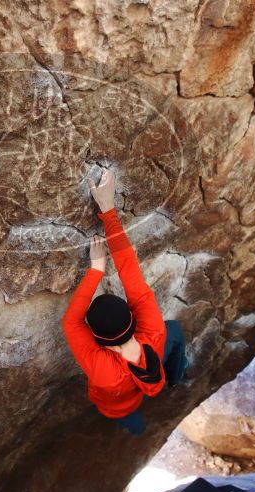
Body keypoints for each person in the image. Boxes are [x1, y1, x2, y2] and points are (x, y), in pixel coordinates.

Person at [61, 168, 189, 435]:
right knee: (173, 330)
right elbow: (129, 269)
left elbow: (71, 322)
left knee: (128, 419)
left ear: (97, 338)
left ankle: (130, 425)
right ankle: (174, 377)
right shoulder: (153, 329)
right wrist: (108, 210)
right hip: (148, 371)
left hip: (115, 404)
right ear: (131, 316)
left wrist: (96, 269)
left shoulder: (101, 367)